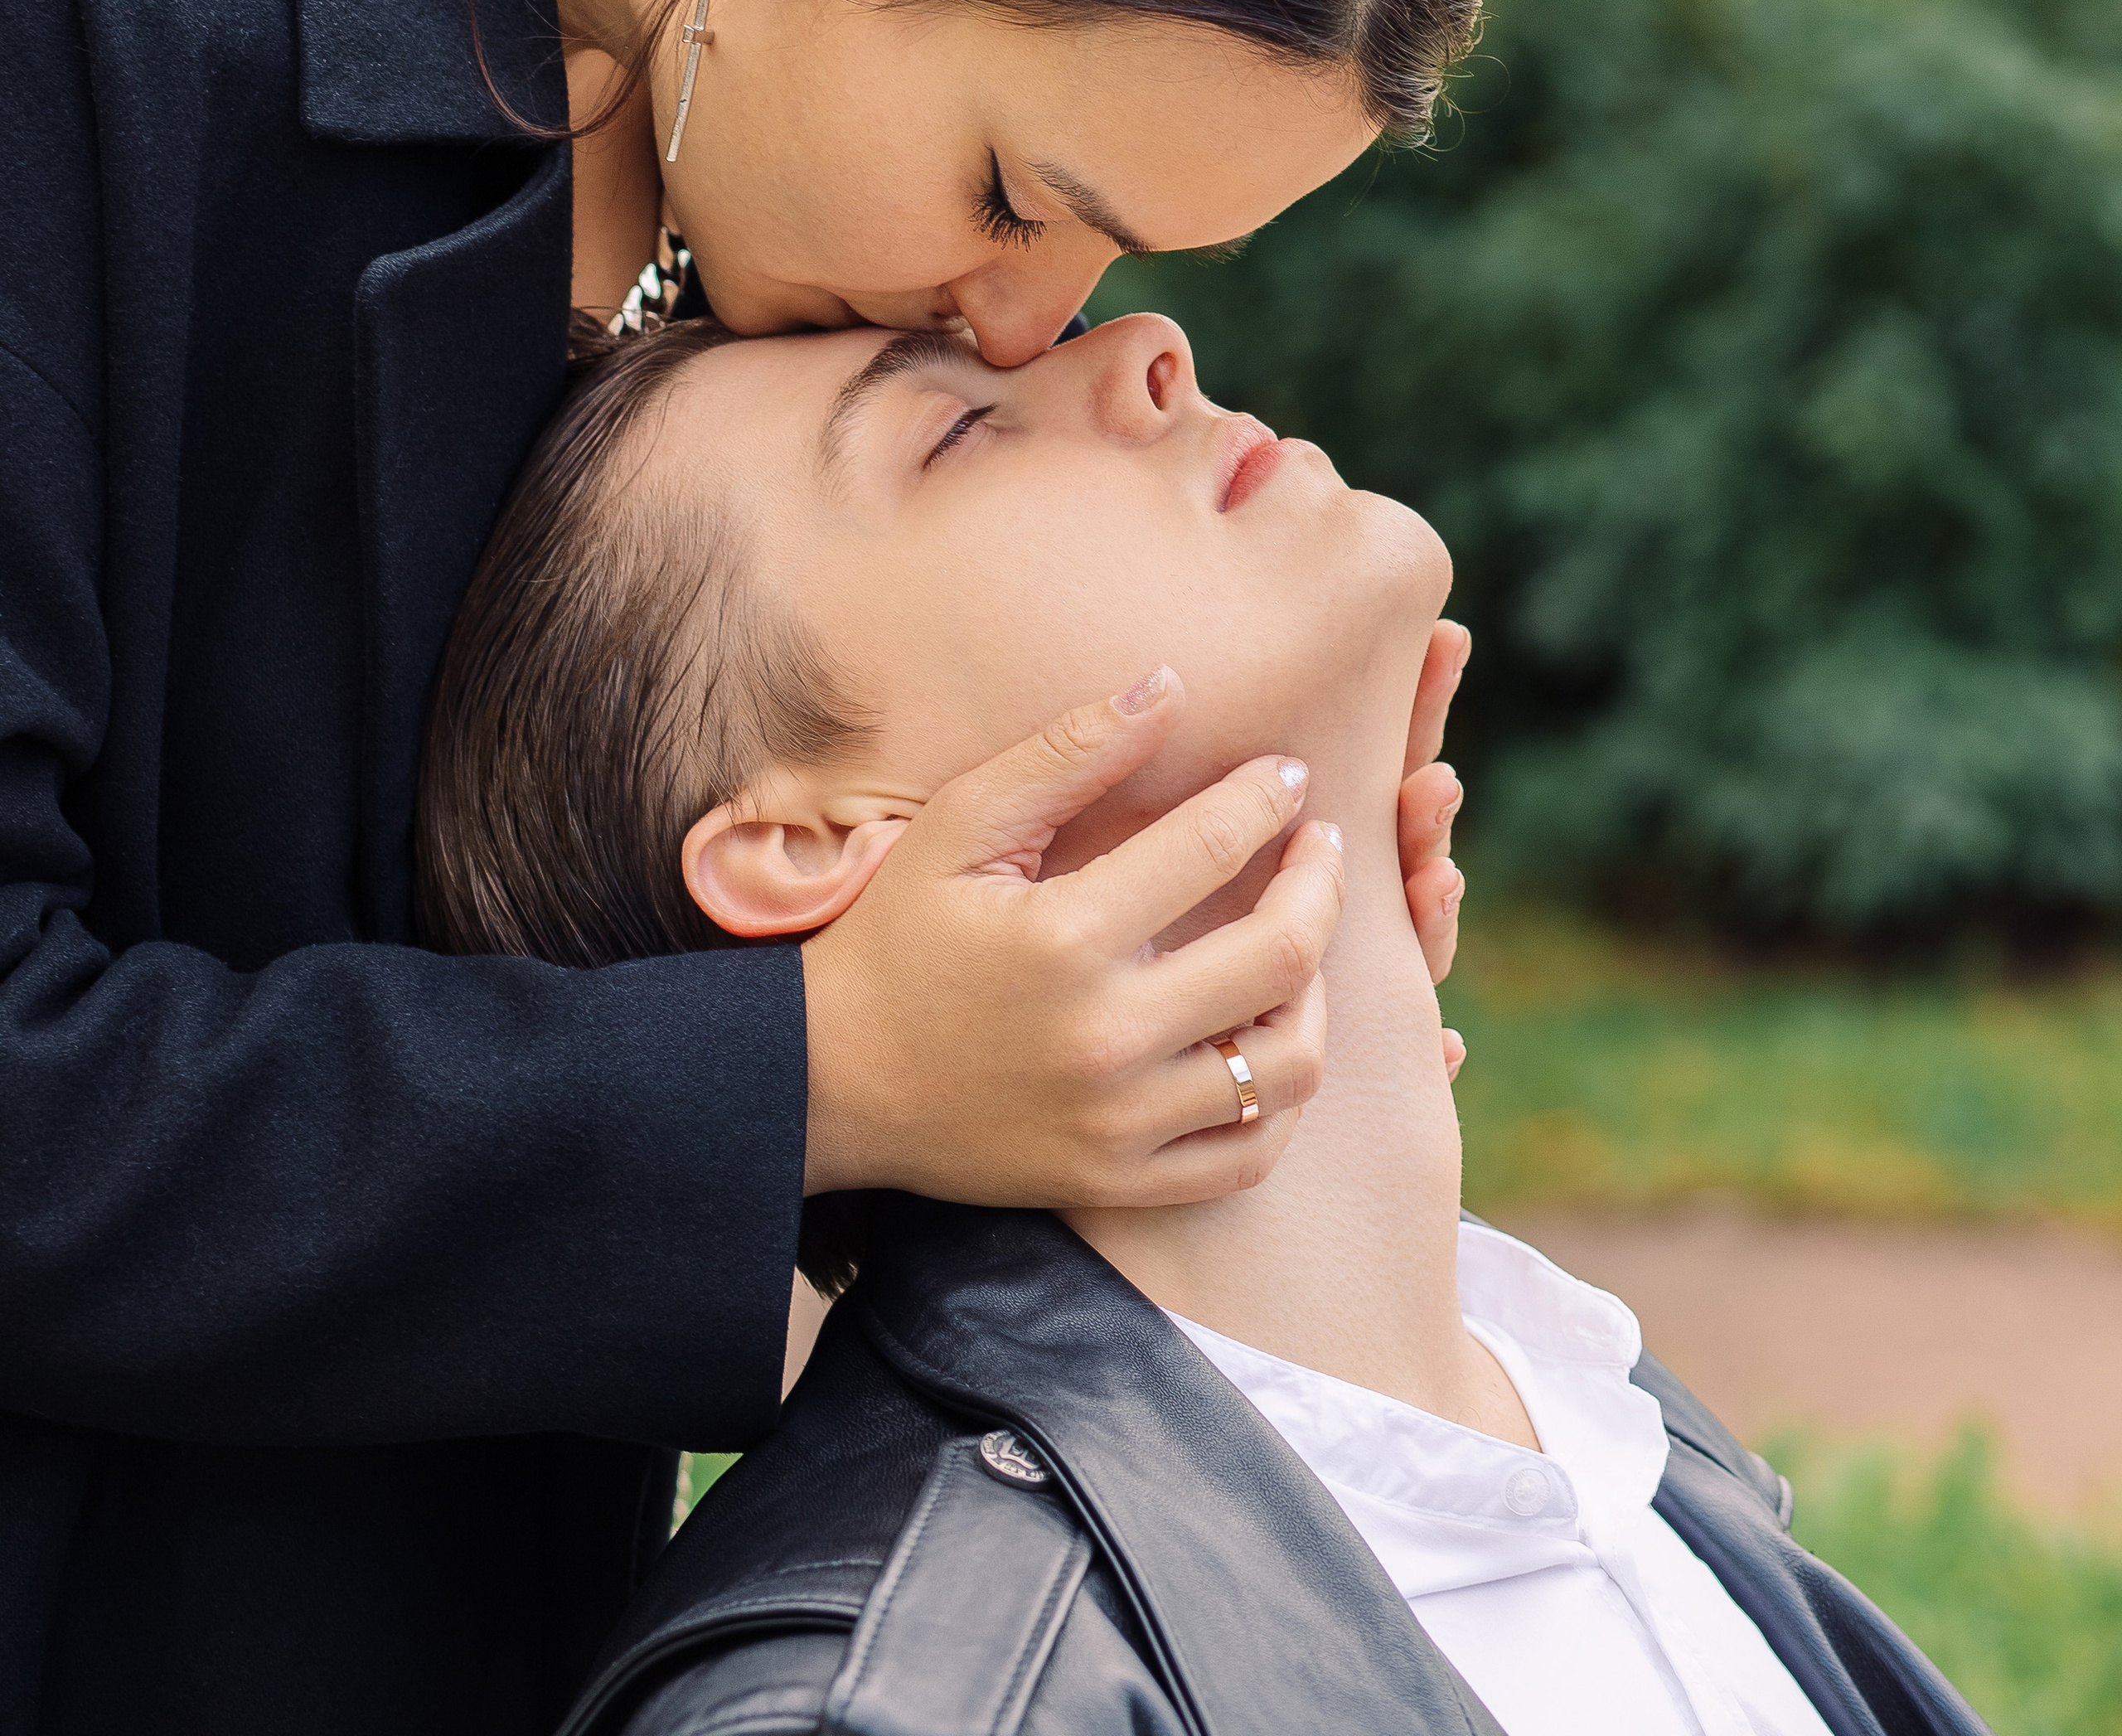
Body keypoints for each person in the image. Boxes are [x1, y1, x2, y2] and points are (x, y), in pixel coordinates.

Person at [0, 0, 1511, 1735]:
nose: (1028, 331)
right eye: (1025, 198)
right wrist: (823, 1069)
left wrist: (1124, 998)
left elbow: (585, 925)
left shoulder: (734, 116)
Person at [417, 308, 1989, 1736]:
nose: (1148, 343)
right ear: (819, 840)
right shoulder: (889, 1708)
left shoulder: (1612, 1446)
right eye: (958, 426)